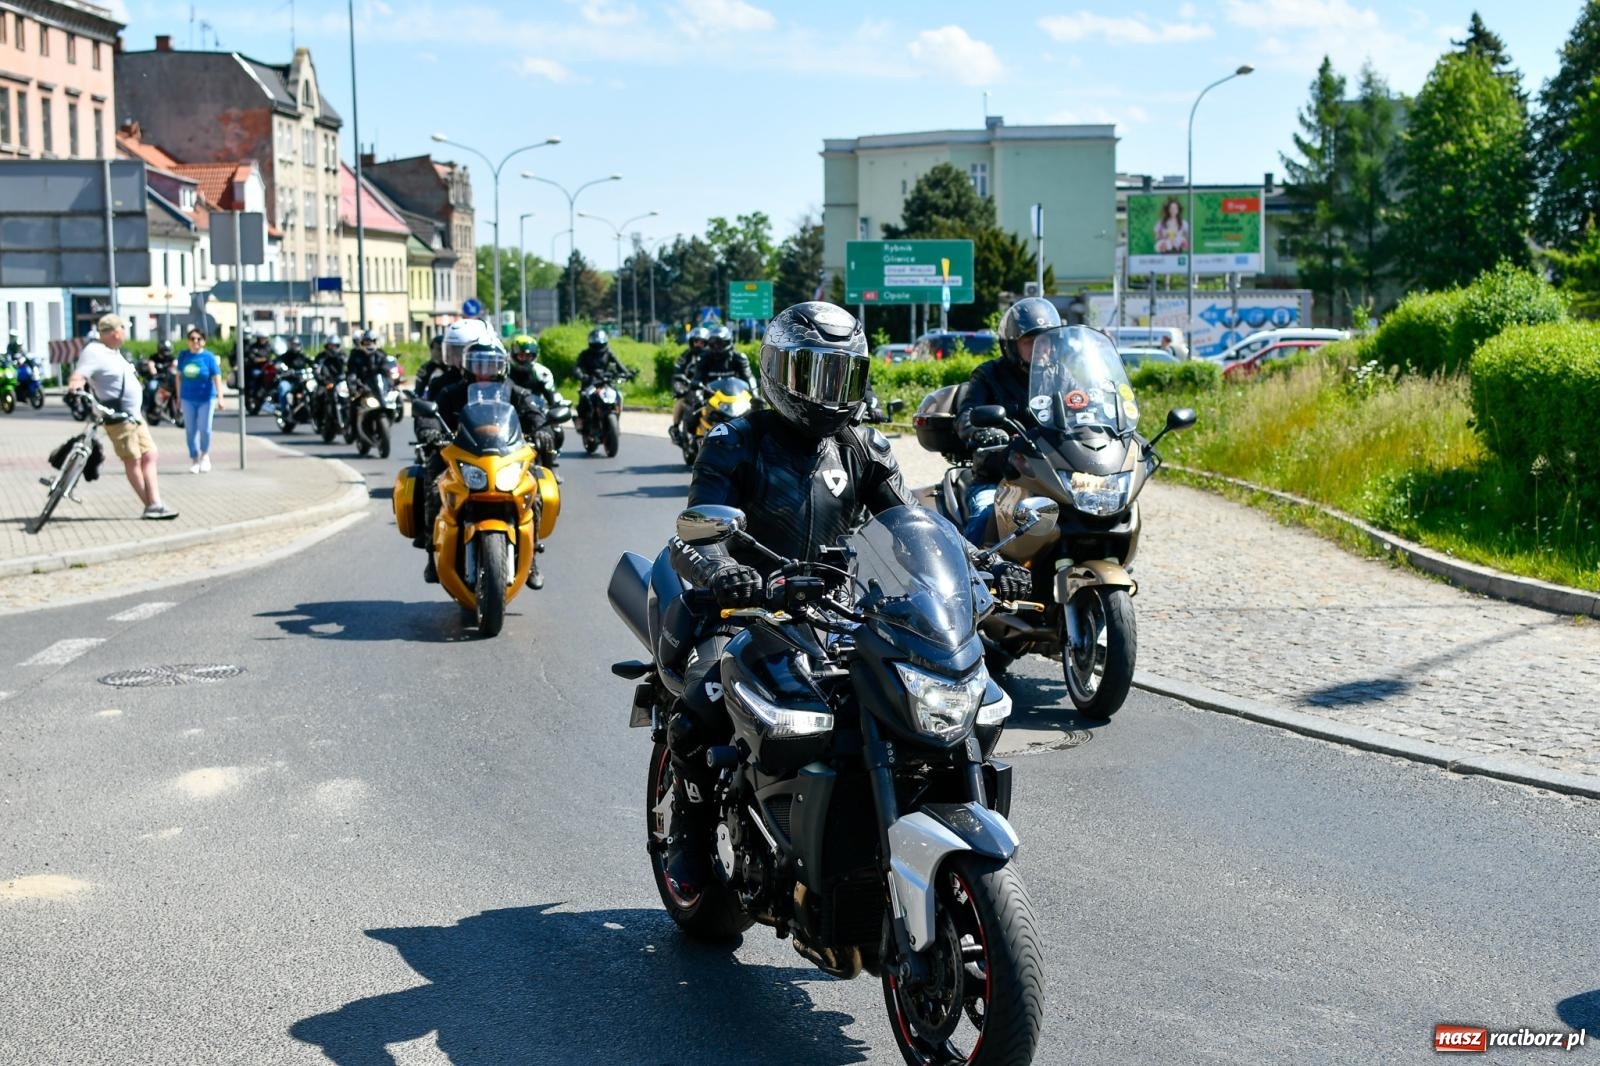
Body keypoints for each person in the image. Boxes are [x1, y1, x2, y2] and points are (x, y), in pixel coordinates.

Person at [658, 301, 1031, 895]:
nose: (830, 394)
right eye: (816, 376)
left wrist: (982, 562)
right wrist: (727, 571)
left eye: (844, 377)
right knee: (702, 705)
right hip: (750, 607)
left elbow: (911, 519)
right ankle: (690, 832)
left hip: (841, 607)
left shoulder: (861, 445)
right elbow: (696, 531)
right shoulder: (736, 440)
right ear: (780, 372)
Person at [421, 340, 550, 587]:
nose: (484, 371)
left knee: (537, 493)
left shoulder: (516, 392)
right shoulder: (452, 392)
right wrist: (430, 431)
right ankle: (431, 550)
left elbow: (536, 416)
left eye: (490, 365)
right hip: (460, 456)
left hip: (507, 456)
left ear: (501, 367)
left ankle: (531, 558)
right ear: (467, 367)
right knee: (433, 485)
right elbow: (431, 415)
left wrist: (544, 431)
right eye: (478, 365)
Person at [955, 296, 1062, 545]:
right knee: (985, 515)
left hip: (1054, 477)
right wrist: (983, 432)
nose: (1040, 348)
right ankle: (969, 577)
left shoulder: (1062, 376)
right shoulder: (989, 375)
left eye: (1045, 341)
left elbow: (1085, 407)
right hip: (1001, 476)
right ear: (1011, 345)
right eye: (1030, 341)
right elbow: (966, 416)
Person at [66, 314, 178, 520]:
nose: (125, 333)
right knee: (133, 459)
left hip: (134, 416)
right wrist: (75, 386)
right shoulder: (94, 352)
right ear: (115, 332)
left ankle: (155, 502)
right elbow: (79, 375)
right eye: (124, 329)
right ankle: (152, 504)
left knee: (150, 455)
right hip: (117, 416)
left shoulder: (113, 352)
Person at [508, 334, 562, 470]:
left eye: (528, 356)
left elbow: (552, 394)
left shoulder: (542, 373)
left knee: (555, 431)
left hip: (535, 412)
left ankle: (549, 469)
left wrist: (557, 407)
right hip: (509, 414)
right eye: (521, 356)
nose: (524, 359)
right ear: (514, 355)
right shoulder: (505, 371)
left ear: (534, 356)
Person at [174, 327, 225, 473]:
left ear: (203, 341)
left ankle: (205, 455)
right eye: (192, 339)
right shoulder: (184, 356)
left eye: (198, 339)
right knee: (190, 430)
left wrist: (220, 398)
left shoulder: (208, 357)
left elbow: (217, 377)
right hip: (188, 398)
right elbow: (178, 377)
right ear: (188, 341)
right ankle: (194, 458)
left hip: (206, 398)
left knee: (205, 429)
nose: (195, 342)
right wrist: (178, 397)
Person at [667, 326, 711, 442]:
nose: (698, 344)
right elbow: (678, 372)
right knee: (681, 400)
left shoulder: (712, 356)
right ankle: (675, 428)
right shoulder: (686, 356)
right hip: (689, 387)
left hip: (709, 388)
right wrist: (679, 388)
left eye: (701, 342)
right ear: (691, 342)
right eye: (695, 341)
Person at [273, 335, 313, 415]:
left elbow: (312, 362)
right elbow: (277, 362)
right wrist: (281, 367)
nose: (295, 347)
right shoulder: (285, 356)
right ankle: (284, 410)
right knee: (283, 388)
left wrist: (315, 365)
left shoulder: (303, 356)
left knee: (313, 388)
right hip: (288, 380)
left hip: (301, 380)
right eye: (293, 345)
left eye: (297, 345)